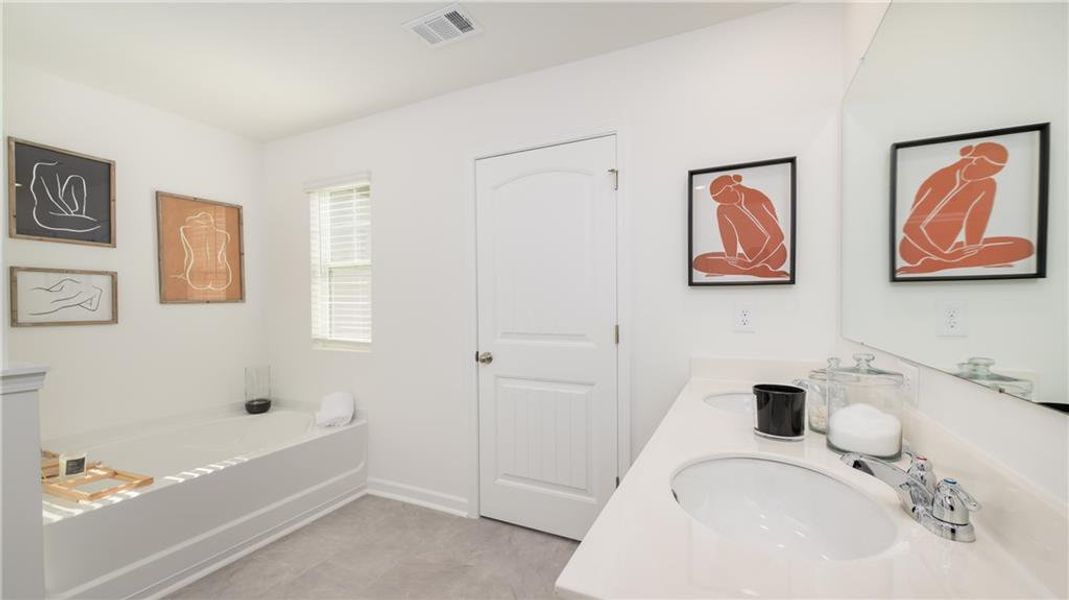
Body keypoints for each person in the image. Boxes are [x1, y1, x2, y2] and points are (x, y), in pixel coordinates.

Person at [898, 142, 1033, 275]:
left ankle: (943, 263)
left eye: (995, 172)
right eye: (988, 170)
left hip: (947, 249)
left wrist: (972, 251)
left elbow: (977, 221)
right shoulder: (945, 178)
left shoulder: (987, 184)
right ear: (975, 161)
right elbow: (910, 228)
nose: (988, 176)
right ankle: (940, 263)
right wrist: (945, 256)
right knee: (1004, 251)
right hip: (915, 249)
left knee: (1024, 246)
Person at [692, 174, 789, 279]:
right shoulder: (724, 209)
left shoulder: (754, 199)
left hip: (773, 255)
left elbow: (777, 236)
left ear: (732, 189)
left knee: (715, 263)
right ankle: (752, 270)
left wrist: (750, 264)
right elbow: (729, 236)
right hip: (750, 258)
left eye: (724, 199)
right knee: (699, 261)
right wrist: (731, 260)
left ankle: (752, 270)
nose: (724, 204)